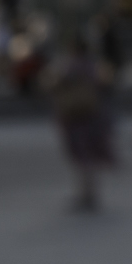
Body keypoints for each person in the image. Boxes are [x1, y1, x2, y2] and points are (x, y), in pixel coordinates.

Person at [46, 25, 115, 213]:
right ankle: (90, 192)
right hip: (93, 114)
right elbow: (105, 85)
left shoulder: (71, 65)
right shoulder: (94, 65)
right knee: (89, 155)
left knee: (82, 155)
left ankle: (86, 193)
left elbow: (55, 84)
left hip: (77, 115)